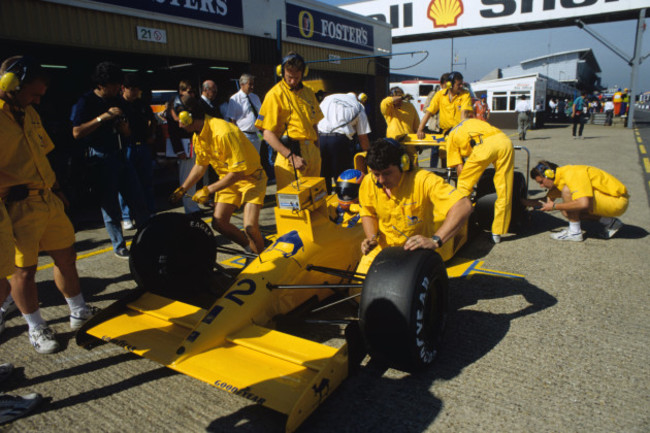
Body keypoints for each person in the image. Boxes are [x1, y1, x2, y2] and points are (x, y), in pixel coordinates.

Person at [1, 56, 95, 354]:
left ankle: (78, 311)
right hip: (16, 205)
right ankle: (36, 327)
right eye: (34, 94)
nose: (38, 101)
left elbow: (42, 154)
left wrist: (57, 189)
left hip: (47, 198)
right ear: (11, 85)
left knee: (66, 256)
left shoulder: (28, 114)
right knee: (23, 272)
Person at [356, 138, 473, 275]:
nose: (381, 180)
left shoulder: (423, 180)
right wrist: (372, 239)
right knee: (358, 290)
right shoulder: (369, 182)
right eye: (377, 174)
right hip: (382, 250)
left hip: (416, 251)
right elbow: (367, 212)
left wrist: (435, 240)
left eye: (387, 173)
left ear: (403, 164)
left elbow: (464, 205)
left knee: (407, 292)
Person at [169, 95, 267, 254]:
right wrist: (183, 189)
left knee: (250, 227)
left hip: (251, 179)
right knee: (219, 223)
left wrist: (208, 190)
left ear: (190, 116)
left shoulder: (223, 132)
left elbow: (238, 172)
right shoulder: (199, 136)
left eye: (180, 120)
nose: (179, 125)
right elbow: (200, 166)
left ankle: (263, 264)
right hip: (229, 180)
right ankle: (251, 250)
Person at [71, 61, 149, 258]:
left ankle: (148, 238)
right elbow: (77, 132)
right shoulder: (86, 101)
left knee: (138, 198)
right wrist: (102, 118)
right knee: (110, 204)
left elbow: (129, 130)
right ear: (102, 84)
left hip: (122, 154)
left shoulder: (119, 101)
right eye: (114, 85)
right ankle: (119, 245)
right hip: (101, 158)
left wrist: (125, 130)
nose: (118, 88)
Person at [255, 52, 323, 190]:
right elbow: (267, 133)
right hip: (291, 154)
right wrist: (291, 157)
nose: (293, 81)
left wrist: (317, 148)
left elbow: (314, 123)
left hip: (312, 153)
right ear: (281, 72)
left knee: (314, 199)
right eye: (289, 77)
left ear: (303, 73)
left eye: (296, 77)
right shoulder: (274, 95)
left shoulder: (309, 93)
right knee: (293, 206)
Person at [446, 118, 514, 244]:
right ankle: (497, 232)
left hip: (484, 147)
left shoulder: (450, 136)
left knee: (463, 185)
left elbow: (459, 168)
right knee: (505, 188)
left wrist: (470, 175)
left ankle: (459, 224)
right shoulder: (470, 122)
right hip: (505, 141)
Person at [525, 161, 628, 241]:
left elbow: (583, 203)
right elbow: (545, 201)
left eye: (541, 182)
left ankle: (575, 233)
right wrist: (522, 202)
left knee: (567, 191)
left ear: (549, 174)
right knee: (566, 211)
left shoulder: (572, 174)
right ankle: (610, 223)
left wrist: (555, 206)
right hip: (610, 200)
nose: (541, 186)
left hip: (617, 201)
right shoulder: (559, 180)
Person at [118, 73, 157, 226]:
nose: (135, 93)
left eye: (137, 90)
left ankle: (150, 211)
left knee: (146, 181)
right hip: (126, 147)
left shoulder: (142, 104)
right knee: (126, 183)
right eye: (132, 89)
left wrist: (152, 134)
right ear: (123, 88)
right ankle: (127, 216)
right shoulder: (118, 105)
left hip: (143, 146)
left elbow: (153, 119)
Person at [318, 92, 371, 194]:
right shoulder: (359, 106)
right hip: (340, 141)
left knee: (323, 175)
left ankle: (324, 201)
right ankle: (342, 201)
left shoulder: (329, 98)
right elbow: (363, 137)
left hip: (320, 138)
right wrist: (368, 156)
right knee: (342, 176)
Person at [166, 80, 202, 216]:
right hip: (184, 145)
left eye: (192, 92)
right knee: (186, 177)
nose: (191, 94)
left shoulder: (192, 105)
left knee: (195, 176)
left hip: (194, 143)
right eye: (188, 91)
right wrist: (179, 150)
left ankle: (193, 205)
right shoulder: (174, 106)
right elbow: (173, 130)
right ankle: (189, 208)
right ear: (181, 91)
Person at [416, 71, 473, 138]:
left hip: (459, 133)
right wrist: (420, 130)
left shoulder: (465, 94)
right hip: (444, 134)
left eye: (462, 84)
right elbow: (429, 112)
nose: (461, 86)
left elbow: (464, 113)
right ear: (450, 85)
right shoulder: (440, 95)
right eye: (459, 84)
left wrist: (463, 130)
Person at [380, 86, 420, 163]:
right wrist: (401, 97)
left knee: (414, 161)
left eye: (401, 96)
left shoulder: (410, 106)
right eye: (397, 97)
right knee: (395, 163)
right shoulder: (388, 108)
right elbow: (384, 102)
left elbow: (416, 125)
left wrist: (419, 142)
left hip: (410, 140)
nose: (399, 100)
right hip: (394, 141)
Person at [226, 74, 263, 154]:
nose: (252, 87)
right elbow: (232, 120)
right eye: (250, 84)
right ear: (242, 84)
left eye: (253, 84)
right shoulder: (234, 99)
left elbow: (261, 114)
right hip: (244, 136)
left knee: (256, 161)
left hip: (257, 135)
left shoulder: (255, 97)